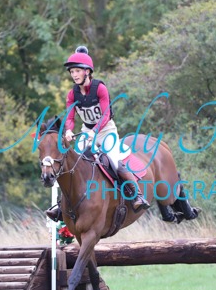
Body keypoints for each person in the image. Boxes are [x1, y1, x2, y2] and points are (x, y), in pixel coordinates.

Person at [46, 46, 150, 222]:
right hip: (87, 131)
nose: (74, 75)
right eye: (72, 72)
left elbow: (106, 114)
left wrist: (95, 132)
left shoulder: (100, 88)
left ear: (87, 71)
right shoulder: (72, 94)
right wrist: (69, 130)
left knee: (114, 161)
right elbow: (70, 117)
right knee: (73, 163)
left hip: (106, 131)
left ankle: (137, 196)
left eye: (77, 71)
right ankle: (61, 205)